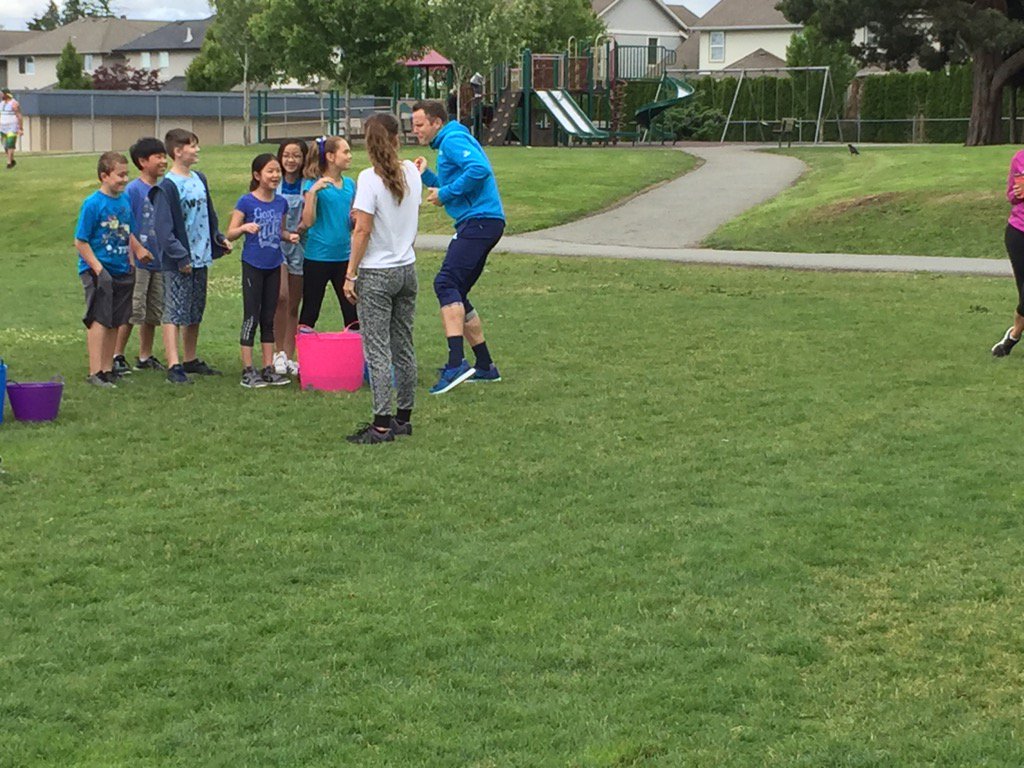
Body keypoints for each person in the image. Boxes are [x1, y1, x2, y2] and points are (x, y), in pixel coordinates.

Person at [411, 99, 505, 394]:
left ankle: (456, 364)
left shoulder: (452, 139)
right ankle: (486, 366)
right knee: (456, 291)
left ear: (436, 122)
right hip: (479, 221)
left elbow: (479, 170)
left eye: (419, 124)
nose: (415, 131)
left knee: (445, 283)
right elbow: (456, 181)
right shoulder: (448, 142)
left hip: (480, 221)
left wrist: (446, 192)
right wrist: (429, 177)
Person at [343, 113, 422, 444]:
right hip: (406, 267)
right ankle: (403, 418)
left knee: (376, 349)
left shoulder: (368, 178)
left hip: (377, 271)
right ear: (396, 138)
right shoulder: (411, 173)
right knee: (403, 345)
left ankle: (380, 425)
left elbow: (362, 229)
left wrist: (350, 274)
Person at [74, 151, 153, 387]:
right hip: (98, 270)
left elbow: (125, 232)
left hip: (121, 268)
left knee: (115, 320)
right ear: (104, 176)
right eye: (120, 175)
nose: (125, 179)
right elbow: (81, 241)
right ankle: (95, 371)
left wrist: (137, 252)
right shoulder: (93, 204)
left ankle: (108, 369)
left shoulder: (123, 201)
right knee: (99, 319)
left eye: (126, 174)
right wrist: (98, 269)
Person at [160, 128, 231, 378]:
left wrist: (218, 238)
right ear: (178, 152)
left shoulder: (199, 178)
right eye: (192, 145)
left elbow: (208, 215)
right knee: (174, 311)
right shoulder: (168, 186)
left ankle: (190, 359)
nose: (197, 149)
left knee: (194, 309)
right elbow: (164, 228)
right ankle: (173, 364)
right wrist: (181, 256)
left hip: (201, 257)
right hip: (179, 260)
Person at [113, 137, 185, 378]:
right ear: (142, 162)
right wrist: (137, 250)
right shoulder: (133, 190)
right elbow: (125, 224)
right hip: (138, 261)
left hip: (160, 260)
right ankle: (117, 355)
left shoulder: (164, 188)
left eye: (164, 156)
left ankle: (144, 356)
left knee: (154, 311)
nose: (163, 161)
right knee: (134, 309)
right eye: (158, 157)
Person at [226, 153, 297, 388]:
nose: (275, 175)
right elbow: (230, 233)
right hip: (253, 265)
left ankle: (268, 368)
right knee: (252, 316)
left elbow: (280, 231)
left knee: (269, 316)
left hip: (274, 264)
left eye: (277, 171)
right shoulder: (246, 202)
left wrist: (290, 236)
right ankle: (248, 370)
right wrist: (244, 227)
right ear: (257, 175)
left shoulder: (281, 203)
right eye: (270, 171)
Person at [299, 136, 358, 331]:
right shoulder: (313, 185)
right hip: (318, 256)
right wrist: (313, 193)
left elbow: (350, 222)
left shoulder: (350, 185)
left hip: (344, 257)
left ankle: (355, 357)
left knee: (352, 312)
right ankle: (306, 356)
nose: (350, 156)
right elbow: (307, 222)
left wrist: (356, 219)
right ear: (331, 156)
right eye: (346, 152)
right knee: (310, 310)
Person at [272, 139, 307, 376]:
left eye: (296, 155)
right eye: (286, 155)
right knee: (281, 298)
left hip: (302, 246)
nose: (291, 160)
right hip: (277, 246)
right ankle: (277, 353)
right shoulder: (273, 182)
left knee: (294, 302)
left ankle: (290, 355)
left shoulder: (308, 184)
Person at [993, 148, 1024, 357]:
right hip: (1018, 233)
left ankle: (1013, 336)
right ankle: (1013, 336)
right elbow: (1011, 197)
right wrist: (1019, 192)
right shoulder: (1019, 158)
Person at [0, 88, 22, 169]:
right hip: (2, 128)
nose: (0, 95)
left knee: (10, 144)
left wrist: (20, 128)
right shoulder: (1, 104)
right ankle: (12, 160)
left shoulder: (14, 103)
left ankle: (9, 162)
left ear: (6, 94)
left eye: (2, 93)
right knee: (5, 145)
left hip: (12, 127)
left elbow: (19, 116)